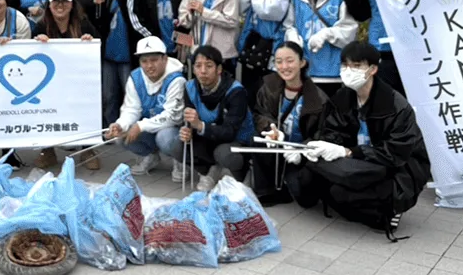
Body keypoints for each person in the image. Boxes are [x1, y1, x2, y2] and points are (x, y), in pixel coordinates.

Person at [297, 40, 430, 235]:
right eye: (345, 65)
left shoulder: (396, 106)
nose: (348, 71)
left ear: (373, 69)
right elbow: (331, 131)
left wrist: (348, 152)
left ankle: (390, 208)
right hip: (359, 165)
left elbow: (395, 153)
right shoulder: (343, 98)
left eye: (357, 65)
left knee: (344, 196)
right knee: (310, 177)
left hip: (397, 170)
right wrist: (320, 146)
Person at [250, 41, 329, 206]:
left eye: (290, 60)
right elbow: (260, 113)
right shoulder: (269, 86)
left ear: (302, 62)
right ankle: (266, 190)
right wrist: (271, 129)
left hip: (300, 153)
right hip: (278, 146)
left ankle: (290, 180)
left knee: (305, 199)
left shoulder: (318, 98)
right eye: (279, 61)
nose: (284, 66)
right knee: (259, 139)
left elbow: (323, 133)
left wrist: (302, 151)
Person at [31, 0, 96, 170]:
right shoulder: (41, 26)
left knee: (85, 110)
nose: (60, 5)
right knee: (46, 112)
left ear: (72, 4)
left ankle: (87, 148)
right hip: (49, 83)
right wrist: (37, 43)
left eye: (64, 1)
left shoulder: (83, 24)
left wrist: (89, 42)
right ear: (49, 4)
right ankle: (47, 150)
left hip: (78, 82)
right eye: (56, 1)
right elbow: (31, 57)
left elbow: (97, 50)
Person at [107, 36, 186, 177]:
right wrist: (120, 124)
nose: (149, 66)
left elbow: (173, 117)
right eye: (144, 61)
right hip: (150, 125)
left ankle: (179, 160)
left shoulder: (176, 79)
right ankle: (150, 156)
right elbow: (131, 108)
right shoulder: (135, 77)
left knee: (164, 138)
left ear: (165, 59)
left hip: (174, 129)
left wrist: (140, 126)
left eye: (154, 60)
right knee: (120, 136)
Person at [286, 0, 356, 97]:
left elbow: (349, 30)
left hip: (333, 72)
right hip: (304, 71)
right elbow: (288, 25)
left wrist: (325, 34)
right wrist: (292, 38)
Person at [183, 46, 250, 191]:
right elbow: (190, 122)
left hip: (237, 139)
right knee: (176, 142)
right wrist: (187, 130)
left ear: (219, 69)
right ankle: (208, 171)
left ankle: (243, 172)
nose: (203, 71)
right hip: (209, 135)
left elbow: (230, 132)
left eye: (209, 66)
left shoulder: (236, 91)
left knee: (225, 154)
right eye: (198, 66)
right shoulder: (189, 88)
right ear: (193, 69)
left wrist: (200, 126)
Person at [95, 0, 142, 131]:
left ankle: (129, 131)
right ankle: (110, 130)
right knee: (108, 96)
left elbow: (137, 21)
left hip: (129, 55)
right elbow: (102, 24)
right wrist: (98, 7)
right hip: (109, 54)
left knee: (130, 96)